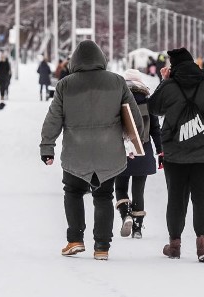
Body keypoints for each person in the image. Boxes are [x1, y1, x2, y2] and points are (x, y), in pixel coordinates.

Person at [40, 40, 143, 261]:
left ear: (74, 61)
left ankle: (75, 239)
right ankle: (102, 247)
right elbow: (134, 118)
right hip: (109, 153)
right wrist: (135, 142)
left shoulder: (65, 85)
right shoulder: (117, 82)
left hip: (76, 152)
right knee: (104, 196)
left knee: (73, 192)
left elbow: (53, 119)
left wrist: (47, 147)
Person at [148, 47, 204, 262]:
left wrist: (165, 81)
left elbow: (154, 108)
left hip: (175, 154)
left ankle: (174, 245)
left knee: (176, 199)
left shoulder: (170, 86)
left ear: (172, 67)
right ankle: (202, 246)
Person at [115, 69, 162, 239]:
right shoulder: (149, 103)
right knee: (138, 191)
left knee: (120, 187)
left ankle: (125, 214)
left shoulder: (118, 101)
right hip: (144, 150)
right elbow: (156, 130)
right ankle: (137, 229)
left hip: (122, 150)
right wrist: (160, 151)